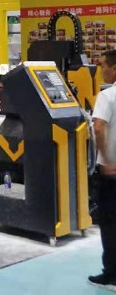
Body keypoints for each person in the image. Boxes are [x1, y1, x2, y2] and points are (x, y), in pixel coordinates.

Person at [90, 50, 116, 290]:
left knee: (109, 222)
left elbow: (98, 127)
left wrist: (107, 161)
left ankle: (111, 274)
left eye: (103, 65)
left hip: (111, 173)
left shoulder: (107, 96)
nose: (100, 70)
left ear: (114, 68)